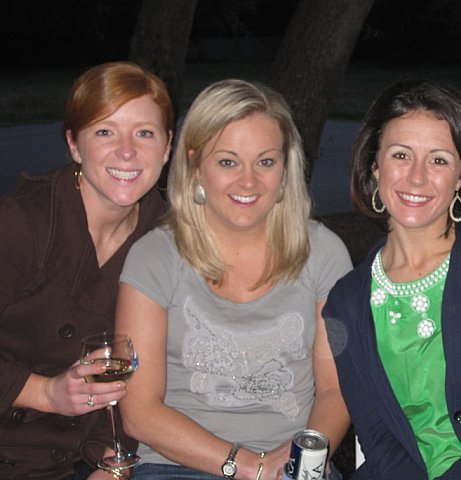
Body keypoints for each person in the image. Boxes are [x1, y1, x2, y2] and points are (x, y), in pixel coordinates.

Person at [115, 79, 352, 480]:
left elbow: (336, 389)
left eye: (265, 162)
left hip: (293, 464)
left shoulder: (324, 253)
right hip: (177, 465)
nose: (248, 181)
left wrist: (301, 461)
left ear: (286, 167)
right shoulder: (154, 257)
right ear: (195, 165)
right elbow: (139, 413)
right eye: (228, 162)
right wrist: (251, 466)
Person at [322, 79, 461, 479]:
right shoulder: (345, 302)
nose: (416, 177)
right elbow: (376, 435)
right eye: (400, 155)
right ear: (375, 166)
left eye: (439, 160)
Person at [0, 61, 173, 480]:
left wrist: (115, 461)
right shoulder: (21, 223)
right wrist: (44, 392)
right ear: (74, 145)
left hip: (84, 458)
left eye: (144, 133)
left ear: (167, 147)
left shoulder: (167, 238)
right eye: (104, 132)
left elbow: (158, 369)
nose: (127, 151)